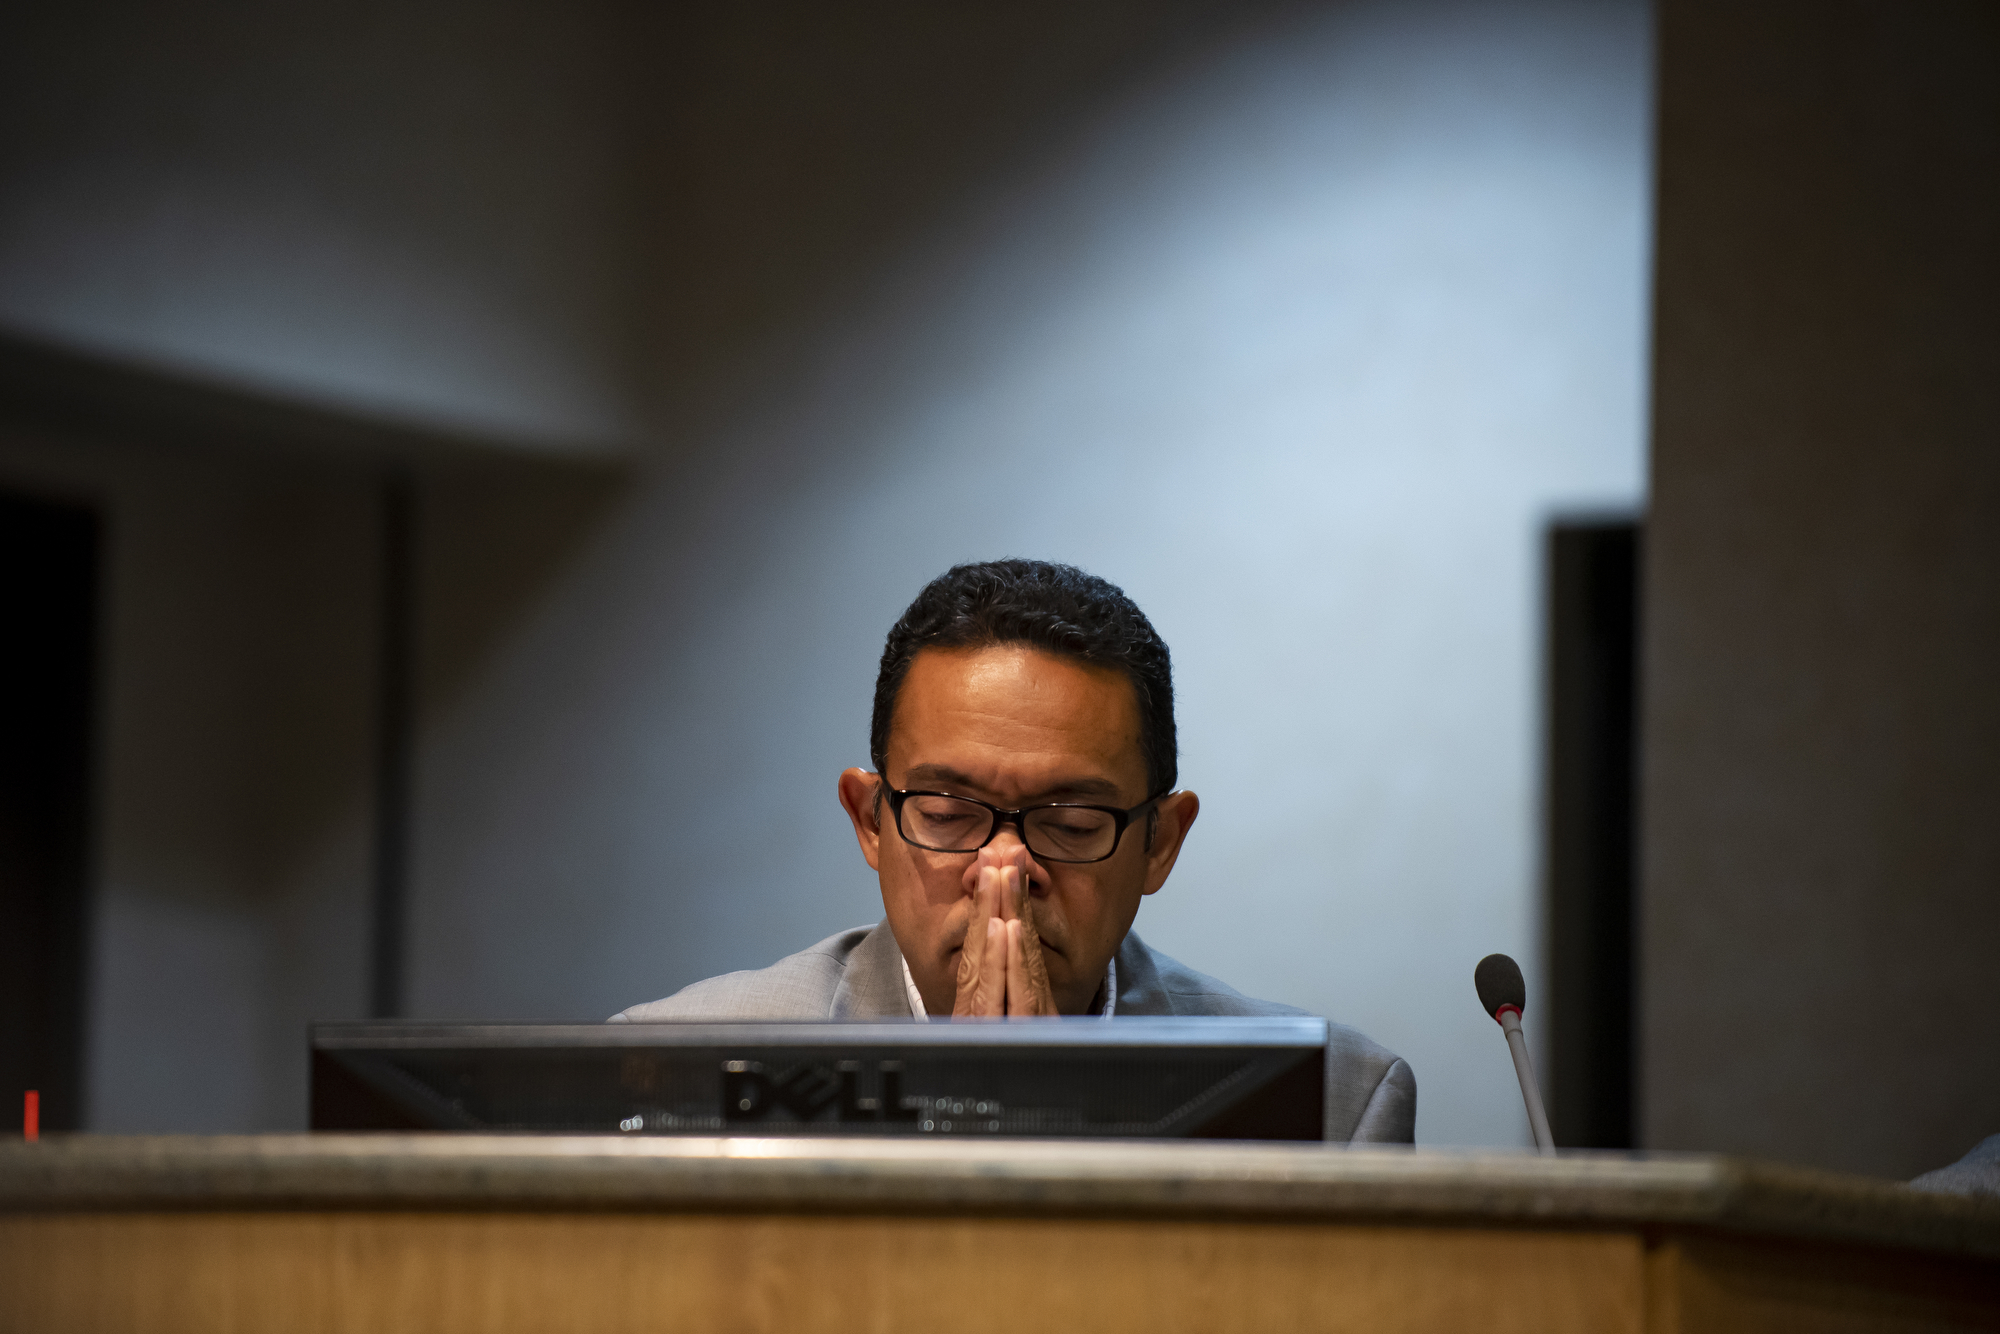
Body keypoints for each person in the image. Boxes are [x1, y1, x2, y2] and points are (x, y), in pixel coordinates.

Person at [613, 559, 1416, 1143]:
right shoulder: (667, 1067)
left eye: (1069, 824)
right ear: (869, 821)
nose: (1004, 867)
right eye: (951, 813)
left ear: (1158, 844)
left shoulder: (1335, 1105)